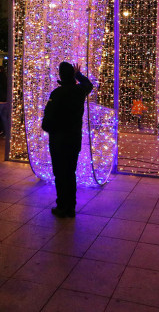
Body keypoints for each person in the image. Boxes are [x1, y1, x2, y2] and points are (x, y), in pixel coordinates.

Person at [41, 62, 93, 218]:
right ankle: (71, 207)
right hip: (74, 139)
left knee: (60, 174)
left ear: (60, 76)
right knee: (70, 173)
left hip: (58, 141)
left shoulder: (57, 94)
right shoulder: (79, 91)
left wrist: (51, 128)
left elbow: (47, 122)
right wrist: (78, 75)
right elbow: (88, 84)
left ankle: (62, 205)